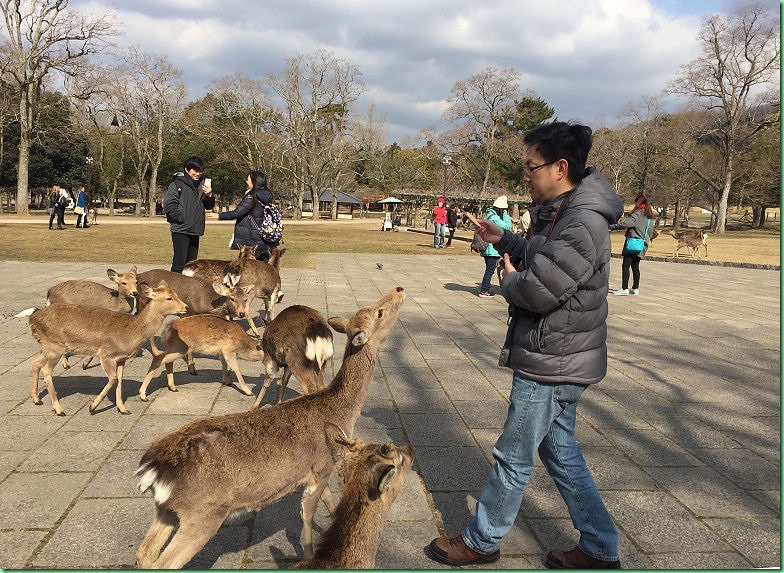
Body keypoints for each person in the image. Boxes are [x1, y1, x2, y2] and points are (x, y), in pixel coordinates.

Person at [426, 122, 624, 569]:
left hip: (553, 360)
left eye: (531, 167)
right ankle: (600, 546)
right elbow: (547, 257)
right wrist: (507, 240)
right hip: (559, 354)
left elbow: (539, 289)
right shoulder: (566, 210)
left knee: (513, 456)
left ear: (560, 167)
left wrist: (508, 280)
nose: (526, 176)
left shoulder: (582, 221)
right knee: (561, 454)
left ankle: (482, 541)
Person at [163, 156, 215, 272]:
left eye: (200, 171)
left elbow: (209, 206)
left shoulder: (203, 185)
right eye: (195, 171)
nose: (198, 174)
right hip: (180, 229)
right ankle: (174, 287)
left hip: (195, 229)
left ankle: (187, 289)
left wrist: (209, 195)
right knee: (179, 263)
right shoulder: (177, 184)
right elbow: (169, 205)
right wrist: (181, 218)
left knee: (191, 265)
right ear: (187, 169)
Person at [219, 170, 276, 262]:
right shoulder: (266, 196)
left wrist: (220, 216)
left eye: (248, 179)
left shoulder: (252, 198)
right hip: (263, 237)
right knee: (263, 264)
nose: (246, 181)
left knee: (245, 267)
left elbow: (237, 212)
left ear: (254, 182)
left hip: (251, 238)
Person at [610, 193, 653, 296]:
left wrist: (612, 226)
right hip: (642, 245)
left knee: (626, 265)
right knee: (635, 265)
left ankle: (624, 288)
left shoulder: (637, 214)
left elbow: (626, 224)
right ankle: (635, 288)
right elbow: (651, 232)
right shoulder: (649, 216)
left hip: (632, 243)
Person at [477, 196, 512, 298]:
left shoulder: (488, 215)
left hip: (487, 248)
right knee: (490, 270)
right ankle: (484, 290)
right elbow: (507, 226)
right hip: (491, 249)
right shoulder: (495, 218)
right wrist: (505, 215)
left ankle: (485, 288)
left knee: (489, 269)